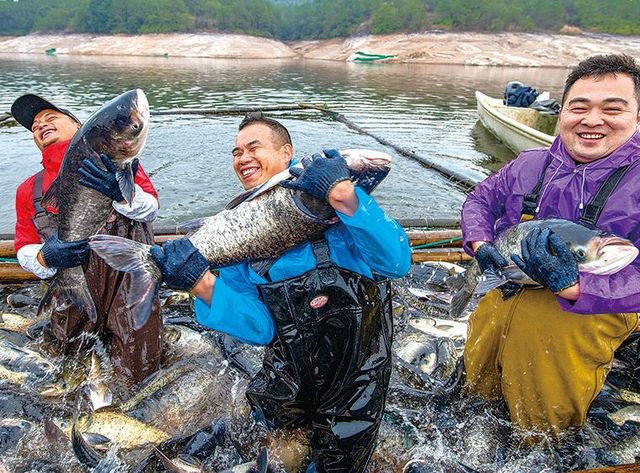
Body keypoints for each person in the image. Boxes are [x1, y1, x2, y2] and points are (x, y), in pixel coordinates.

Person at [149, 112, 411, 472]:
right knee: (270, 455)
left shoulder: (344, 218)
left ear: (287, 153)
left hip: (357, 380)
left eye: (253, 147)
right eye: (236, 151)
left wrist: (343, 194)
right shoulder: (237, 231)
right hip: (285, 376)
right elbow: (261, 328)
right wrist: (200, 282)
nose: (243, 158)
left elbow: (395, 262)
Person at [460, 54, 640, 441]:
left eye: (613, 109)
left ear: (638, 117)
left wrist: (577, 289)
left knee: (544, 391)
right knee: (479, 361)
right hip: (512, 278)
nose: (593, 120)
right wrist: (481, 243)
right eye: (580, 107)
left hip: (599, 300)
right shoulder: (530, 163)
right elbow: (480, 200)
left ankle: (542, 442)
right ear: (562, 113)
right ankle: (478, 420)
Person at [11, 94, 162, 385]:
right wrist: (47, 256)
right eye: (35, 127)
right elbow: (23, 247)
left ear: (79, 125)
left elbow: (150, 208)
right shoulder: (28, 190)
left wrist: (120, 192)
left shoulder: (122, 162)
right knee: (69, 369)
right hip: (73, 287)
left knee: (140, 371)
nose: (41, 125)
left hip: (128, 281)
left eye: (50, 117)